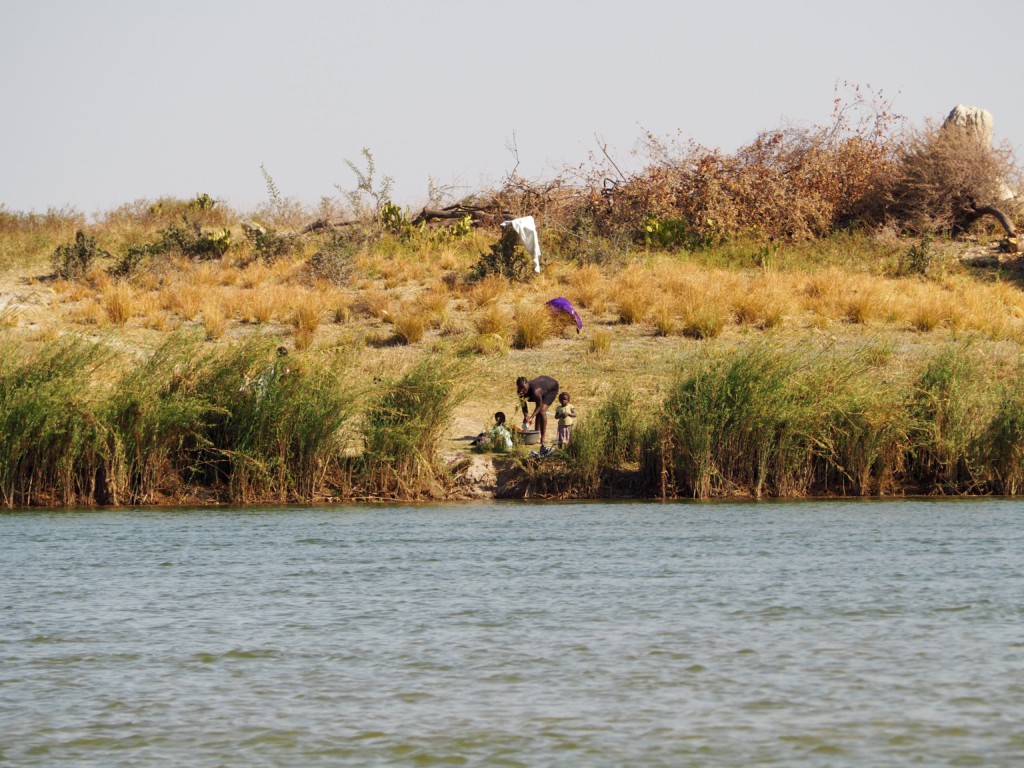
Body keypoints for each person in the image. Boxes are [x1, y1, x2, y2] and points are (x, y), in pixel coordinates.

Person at [516, 375, 559, 456]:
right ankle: (536, 436)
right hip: (542, 386)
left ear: (527, 384)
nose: (522, 390)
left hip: (551, 387)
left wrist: (531, 417)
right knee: (539, 411)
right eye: (519, 388)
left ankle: (543, 438)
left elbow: (539, 406)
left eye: (523, 388)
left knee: (542, 411)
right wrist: (526, 415)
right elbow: (523, 404)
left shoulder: (535, 391)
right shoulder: (520, 392)